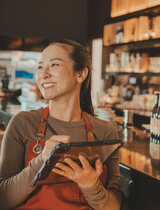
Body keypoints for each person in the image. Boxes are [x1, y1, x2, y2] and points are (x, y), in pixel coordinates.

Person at [0, 39, 121, 210]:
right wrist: (40, 161)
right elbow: (3, 200)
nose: (43, 74)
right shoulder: (22, 123)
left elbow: (115, 206)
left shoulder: (106, 132)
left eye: (54, 65)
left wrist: (90, 186)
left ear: (81, 74)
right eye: (40, 67)